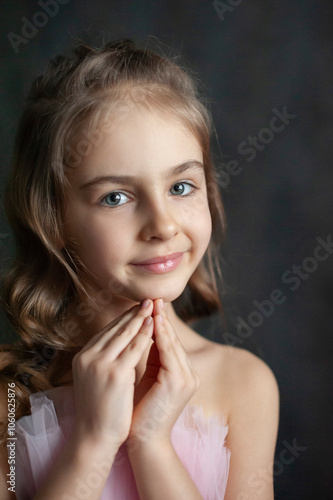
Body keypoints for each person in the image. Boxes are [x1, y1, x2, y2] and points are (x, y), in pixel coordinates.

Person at [0, 39, 279, 500]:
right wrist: (93, 441)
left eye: (181, 186)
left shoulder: (243, 383)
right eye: (116, 197)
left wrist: (150, 442)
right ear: (53, 220)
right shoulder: (10, 392)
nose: (163, 224)